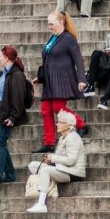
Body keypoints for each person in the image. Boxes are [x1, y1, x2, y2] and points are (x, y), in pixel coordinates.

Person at [32, 11, 87, 154]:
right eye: (48, 24)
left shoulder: (69, 38)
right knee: (45, 110)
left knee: (58, 108)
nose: (49, 27)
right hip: (50, 80)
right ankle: (49, 142)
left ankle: (81, 124)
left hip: (62, 78)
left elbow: (78, 60)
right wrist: (41, 77)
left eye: (51, 24)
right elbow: (48, 59)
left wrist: (82, 79)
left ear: (61, 22)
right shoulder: (53, 38)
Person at [26, 111, 86, 213]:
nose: (57, 124)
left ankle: (41, 204)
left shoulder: (73, 138)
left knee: (45, 171)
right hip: (64, 168)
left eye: (60, 122)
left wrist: (53, 158)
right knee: (33, 165)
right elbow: (61, 158)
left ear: (68, 125)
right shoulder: (64, 137)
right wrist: (51, 161)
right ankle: (47, 187)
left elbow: (71, 160)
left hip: (73, 172)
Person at [0, 46, 29, 185]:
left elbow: (18, 98)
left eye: (0, 56)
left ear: (6, 58)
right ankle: (10, 174)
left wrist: (13, 117)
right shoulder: (5, 73)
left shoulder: (16, 75)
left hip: (5, 111)